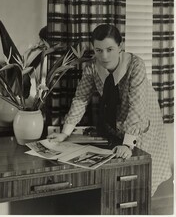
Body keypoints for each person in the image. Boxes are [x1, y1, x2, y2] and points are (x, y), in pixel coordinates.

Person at [47, 24, 172, 196]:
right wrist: (65, 133)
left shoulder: (135, 65)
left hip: (143, 121)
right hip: (116, 121)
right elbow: (80, 99)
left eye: (110, 49)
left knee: (141, 175)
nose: (104, 56)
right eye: (98, 50)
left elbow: (137, 105)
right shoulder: (92, 67)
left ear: (120, 47)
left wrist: (128, 143)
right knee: (119, 177)